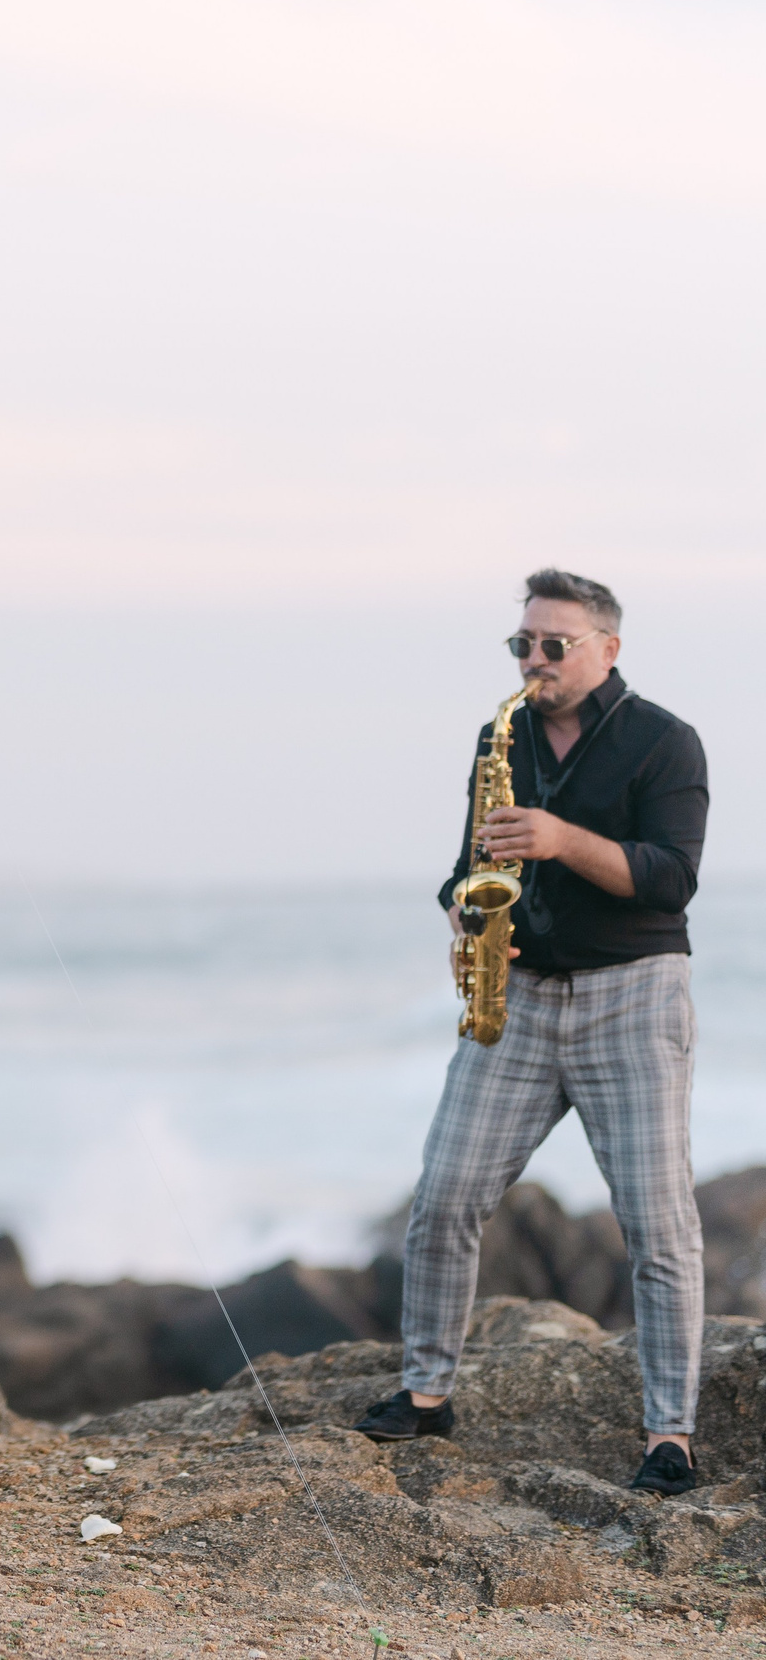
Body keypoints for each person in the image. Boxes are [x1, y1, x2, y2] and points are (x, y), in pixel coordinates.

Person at [351, 569, 709, 1495]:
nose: (535, 660)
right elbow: (470, 861)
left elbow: (670, 878)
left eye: (555, 644)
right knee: (443, 1196)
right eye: (523, 644)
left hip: (633, 994)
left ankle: (668, 1434)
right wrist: (466, 925)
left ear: (608, 648)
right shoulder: (498, 735)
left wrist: (560, 839)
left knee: (658, 1225)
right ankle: (427, 1393)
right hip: (521, 998)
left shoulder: (666, 742)